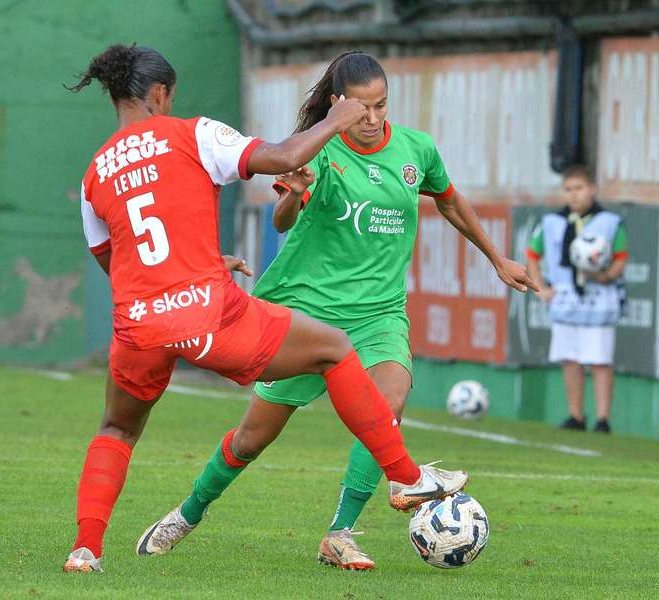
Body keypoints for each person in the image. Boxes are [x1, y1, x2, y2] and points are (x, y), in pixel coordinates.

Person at [63, 44, 468, 573]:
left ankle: (84, 551)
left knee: (116, 430)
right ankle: (408, 476)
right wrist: (337, 119)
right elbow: (281, 158)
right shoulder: (192, 133)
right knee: (332, 350)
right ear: (161, 93)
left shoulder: (94, 174)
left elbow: (119, 264)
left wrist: (196, 266)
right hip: (210, 317)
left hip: (139, 325)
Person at [140, 51, 536, 571]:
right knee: (252, 438)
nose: (373, 119)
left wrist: (495, 256)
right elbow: (282, 221)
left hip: (378, 314)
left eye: (382, 106)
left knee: (387, 406)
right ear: (337, 104)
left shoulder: (417, 149)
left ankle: (341, 532)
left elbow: (449, 200)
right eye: (363, 108)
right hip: (308, 316)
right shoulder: (319, 151)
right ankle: (187, 513)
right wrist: (295, 191)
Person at [525, 165, 628, 433]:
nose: (574, 195)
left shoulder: (609, 222)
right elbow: (533, 254)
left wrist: (606, 275)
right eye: (568, 190)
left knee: (599, 358)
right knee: (569, 357)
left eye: (579, 189)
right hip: (566, 298)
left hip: (599, 298)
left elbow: (620, 258)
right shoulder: (551, 223)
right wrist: (540, 287)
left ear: (592, 189)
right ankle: (576, 414)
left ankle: (603, 418)